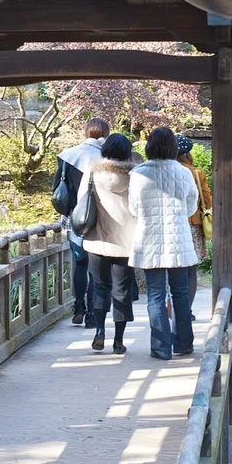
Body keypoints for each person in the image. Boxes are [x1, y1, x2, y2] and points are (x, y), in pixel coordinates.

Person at [129, 127, 199, 360]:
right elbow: (191, 207)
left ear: (149, 146)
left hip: (149, 239)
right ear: (173, 147)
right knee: (180, 293)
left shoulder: (138, 174)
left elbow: (133, 209)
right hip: (178, 238)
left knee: (155, 295)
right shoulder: (185, 173)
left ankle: (160, 347)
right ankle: (184, 343)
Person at [78, 133, 139, 353]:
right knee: (122, 291)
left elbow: (81, 201)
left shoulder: (92, 173)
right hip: (126, 242)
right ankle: (119, 341)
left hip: (98, 239)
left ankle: (100, 332)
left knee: (100, 287)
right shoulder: (134, 176)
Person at [55, 117, 109, 325]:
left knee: (80, 263)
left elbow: (57, 190)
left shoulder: (66, 156)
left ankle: (78, 306)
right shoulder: (105, 157)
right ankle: (92, 315)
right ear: (105, 133)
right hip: (98, 217)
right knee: (95, 266)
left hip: (73, 218)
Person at [176, 136, 209, 324]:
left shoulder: (168, 170)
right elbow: (207, 198)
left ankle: (172, 307)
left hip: (173, 223)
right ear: (188, 153)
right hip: (193, 224)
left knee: (173, 269)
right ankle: (186, 309)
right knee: (190, 270)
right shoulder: (197, 173)